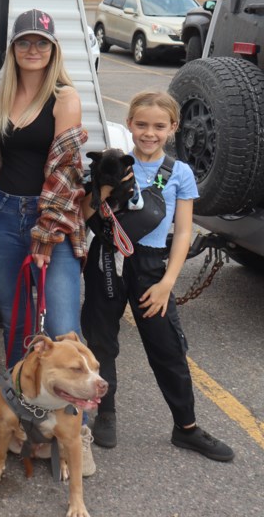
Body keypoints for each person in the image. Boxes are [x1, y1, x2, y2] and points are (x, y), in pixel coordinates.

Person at [0, 9, 95, 473]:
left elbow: (65, 174)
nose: (32, 50)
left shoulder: (65, 98)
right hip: (2, 217)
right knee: (16, 327)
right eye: (24, 43)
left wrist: (44, 235)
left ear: (53, 49)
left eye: (41, 43)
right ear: (13, 49)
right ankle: (24, 423)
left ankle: (77, 431)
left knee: (63, 328)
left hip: (50, 223)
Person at [81, 91, 233, 462]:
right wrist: (101, 186)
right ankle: (106, 411)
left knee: (168, 348)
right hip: (107, 258)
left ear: (173, 128)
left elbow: (183, 232)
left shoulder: (179, 173)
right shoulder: (114, 162)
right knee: (102, 342)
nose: (149, 133)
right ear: (129, 124)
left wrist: (167, 284)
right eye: (142, 125)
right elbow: (85, 212)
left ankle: (186, 427)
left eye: (159, 126)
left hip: (150, 266)